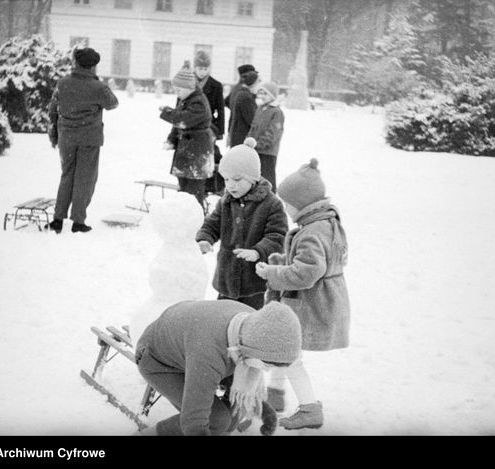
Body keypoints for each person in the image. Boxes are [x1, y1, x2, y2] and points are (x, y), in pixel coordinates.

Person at [255, 158, 350, 430]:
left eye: (287, 204)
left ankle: (309, 409)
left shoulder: (312, 230)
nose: (285, 208)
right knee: (284, 349)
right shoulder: (325, 223)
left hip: (310, 304)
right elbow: (312, 262)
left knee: (290, 355)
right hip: (316, 301)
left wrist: (273, 274)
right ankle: (275, 395)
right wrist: (283, 261)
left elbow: (308, 273)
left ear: (302, 203)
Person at [135, 299, 302, 436]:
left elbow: (244, 393)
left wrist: (261, 407)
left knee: (236, 410)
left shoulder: (253, 325)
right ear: (250, 349)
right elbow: (195, 418)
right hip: (157, 360)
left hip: (189, 343)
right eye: (266, 364)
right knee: (217, 420)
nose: (265, 370)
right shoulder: (208, 353)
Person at [196, 138, 287, 310]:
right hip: (227, 282)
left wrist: (258, 251)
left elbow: (278, 236)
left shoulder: (271, 204)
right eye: (226, 179)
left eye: (237, 179)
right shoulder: (226, 202)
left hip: (255, 285)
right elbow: (212, 224)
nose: (231, 185)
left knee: (252, 325)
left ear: (252, 178)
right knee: (223, 321)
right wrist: (205, 239)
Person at [46, 47, 118, 234]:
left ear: (75, 63)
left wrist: (53, 135)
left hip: (66, 138)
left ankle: (58, 219)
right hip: (89, 139)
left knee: (67, 175)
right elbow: (113, 104)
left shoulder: (63, 83)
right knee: (84, 179)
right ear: (94, 66)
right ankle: (78, 221)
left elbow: (52, 110)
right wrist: (101, 86)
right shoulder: (99, 87)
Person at [160, 61, 215, 210]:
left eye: (179, 89)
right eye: (175, 89)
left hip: (198, 153)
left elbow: (183, 120)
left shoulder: (199, 102)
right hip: (187, 152)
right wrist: (171, 140)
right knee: (183, 189)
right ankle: (183, 217)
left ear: (189, 88)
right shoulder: (186, 99)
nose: (176, 92)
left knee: (194, 193)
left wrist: (167, 112)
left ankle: (196, 221)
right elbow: (178, 125)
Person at [193, 50, 226, 195]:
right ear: (195, 68)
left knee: (206, 157)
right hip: (191, 126)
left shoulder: (216, 85)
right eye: (200, 68)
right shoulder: (188, 83)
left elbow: (221, 109)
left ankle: (207, 186)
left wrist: (219, 130)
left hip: (209, 128)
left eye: (205, 69)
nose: (202, 72)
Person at [247, 81, 285, 193]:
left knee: (267, 179)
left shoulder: (276, 112)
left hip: (268, 153)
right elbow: (253, 127)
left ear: (272, 96)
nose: (262, 96)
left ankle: (270, 200)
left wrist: (258, 144)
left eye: (265, 93)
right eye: (261, 93)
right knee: (255, 178)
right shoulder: (260, 109)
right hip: (255, 150)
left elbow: (272, 133)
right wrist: (248, 140)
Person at [226, 65, 259, 148]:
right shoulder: (244, 94)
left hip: (235, 128)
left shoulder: (236, 88)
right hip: (241, 132)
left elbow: (227, 102)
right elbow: (251, 119)